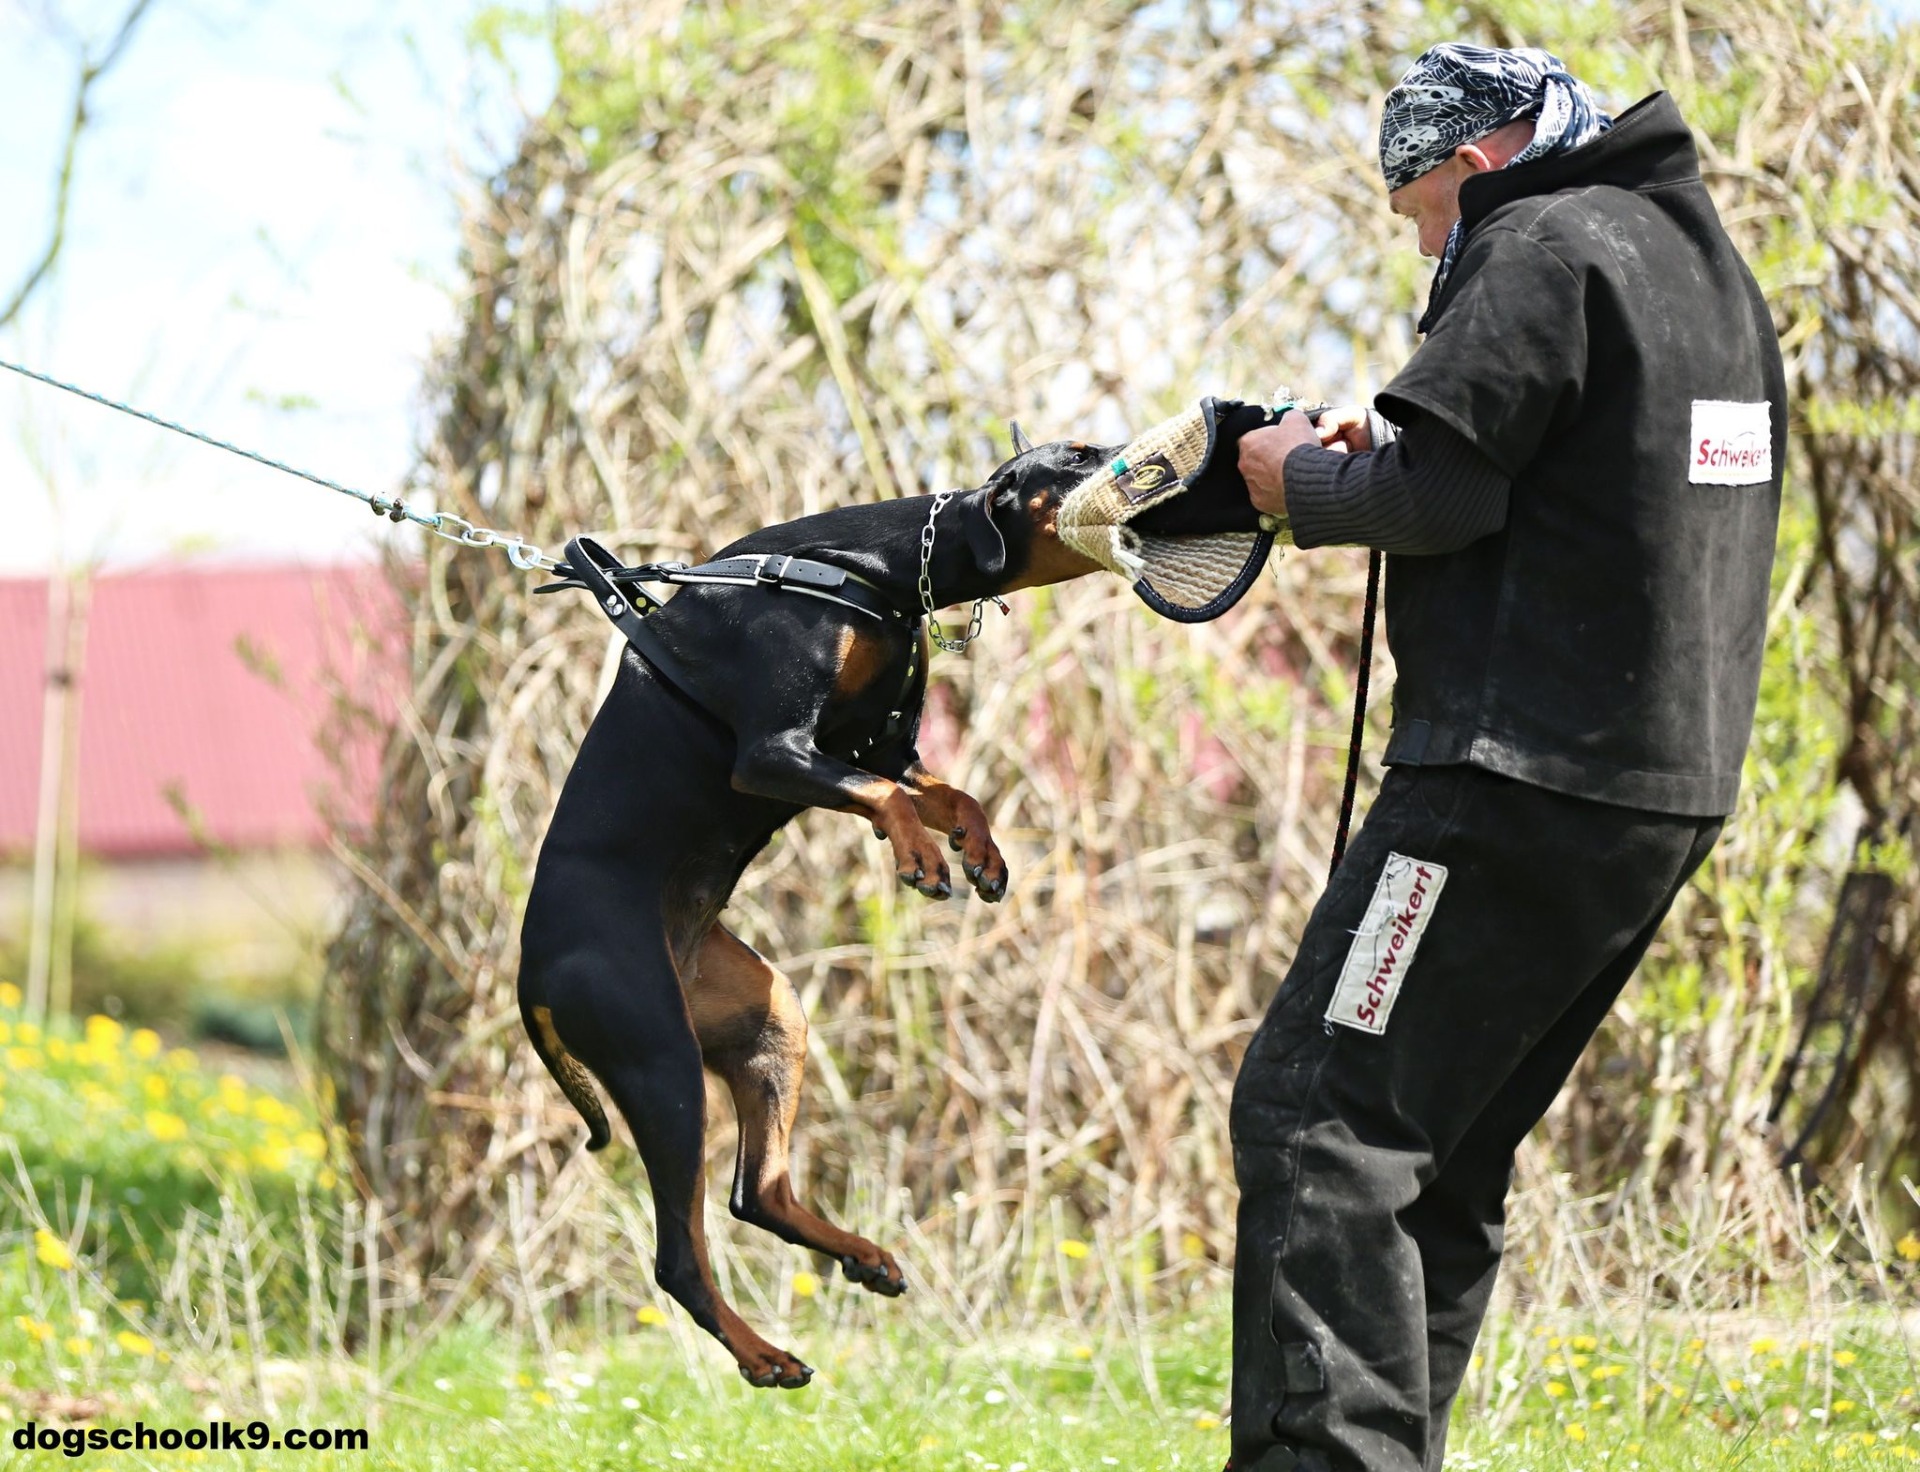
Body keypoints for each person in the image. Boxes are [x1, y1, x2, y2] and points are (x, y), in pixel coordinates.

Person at [1220, 44, 1786, 1472]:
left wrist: (1298, 483)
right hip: (1658, 789)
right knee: (1441, 1152)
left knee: (1316, 1120)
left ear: (1471, 166)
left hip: (1503, 779)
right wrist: (1394, 432)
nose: (1422, 242)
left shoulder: (1535, 238)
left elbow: (1438, 497)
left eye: (1416, 214)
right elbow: (1561, 463)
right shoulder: (1694, 262)